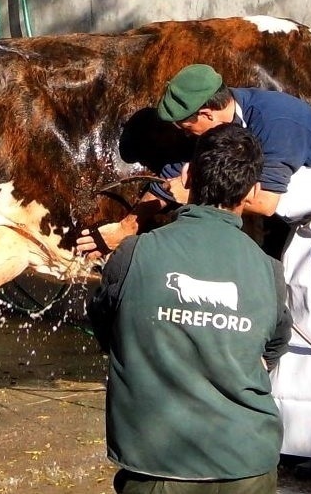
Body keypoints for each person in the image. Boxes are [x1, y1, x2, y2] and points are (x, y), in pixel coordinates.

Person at [77, 63, 311, 478]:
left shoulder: (278, 122)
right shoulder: (214, 129)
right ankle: (294, 441)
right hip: (291, 223)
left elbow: (264, 202)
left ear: (206, 114)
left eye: (183, 125)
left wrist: (191, 192)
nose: (181, 134)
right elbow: (172, 179)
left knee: (309, 318)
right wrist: (126, 226)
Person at [88, 123, 293, 493]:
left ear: (187, 176)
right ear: (252, 192)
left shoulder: (133, 254)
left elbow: (106, 327)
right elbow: (273, 349)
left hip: (158, 466)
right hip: (248, 466)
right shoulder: (270, 272)